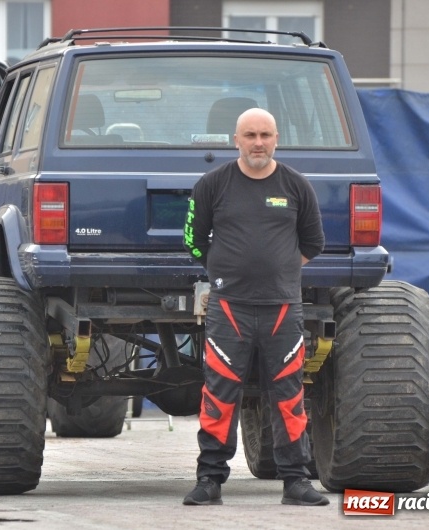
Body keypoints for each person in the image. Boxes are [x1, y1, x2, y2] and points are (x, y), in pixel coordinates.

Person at [182, 107, 328, 506]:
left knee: (289, 395)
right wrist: (224, 268)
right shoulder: (213, 184)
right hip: (230, 308)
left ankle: (296, 481)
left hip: (283, 308)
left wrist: (278, 270)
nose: (258, 143)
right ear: (236, 141)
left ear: (277, 139)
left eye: (265, 135)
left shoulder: (297, 186)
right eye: (250, 135)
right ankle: (209, 480)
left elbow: (313, 243)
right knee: (219, 395)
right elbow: (194, 240)